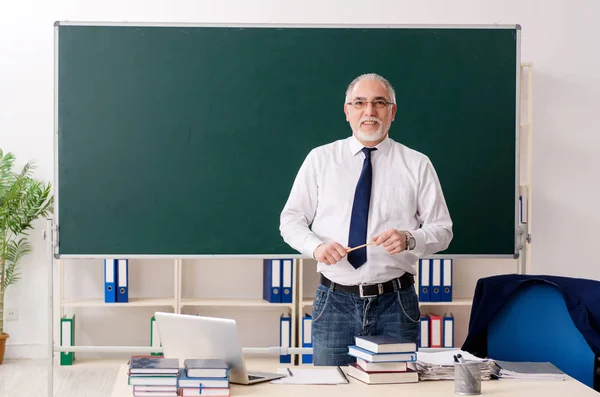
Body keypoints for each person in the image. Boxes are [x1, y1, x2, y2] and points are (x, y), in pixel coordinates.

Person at [279, 73, 453, 366]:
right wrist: (315, 247)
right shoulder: (320, 160)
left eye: (379, 103)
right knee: (332, 389)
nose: (369, 111)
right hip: (334, 303)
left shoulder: (416, 163)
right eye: (359, 103)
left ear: (392, 112)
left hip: (396, 304)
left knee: (397, 390)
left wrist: (411, 238)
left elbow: (443, 230)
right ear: (347, 111)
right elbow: (291, 219)